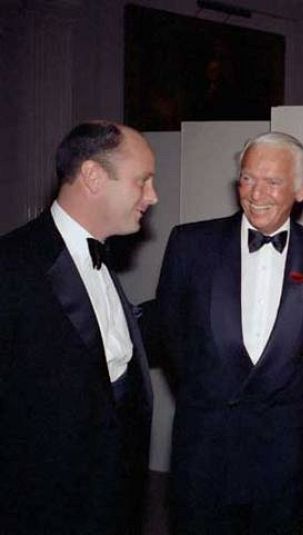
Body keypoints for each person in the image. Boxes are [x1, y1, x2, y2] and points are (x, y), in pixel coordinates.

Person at [157, 131, 303, 535]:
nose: (256, 193)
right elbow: (171, 336)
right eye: (247, 178)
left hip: (282, 451)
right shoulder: (190, 244)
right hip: (204, 446)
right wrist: (210, 390)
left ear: (301, 190)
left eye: (273, 182)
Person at [0, 121, 158, 535]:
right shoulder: (13, 265)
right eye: (142, 182)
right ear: (92, 176)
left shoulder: (103, 258)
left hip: (113, 501)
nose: (152, 196)